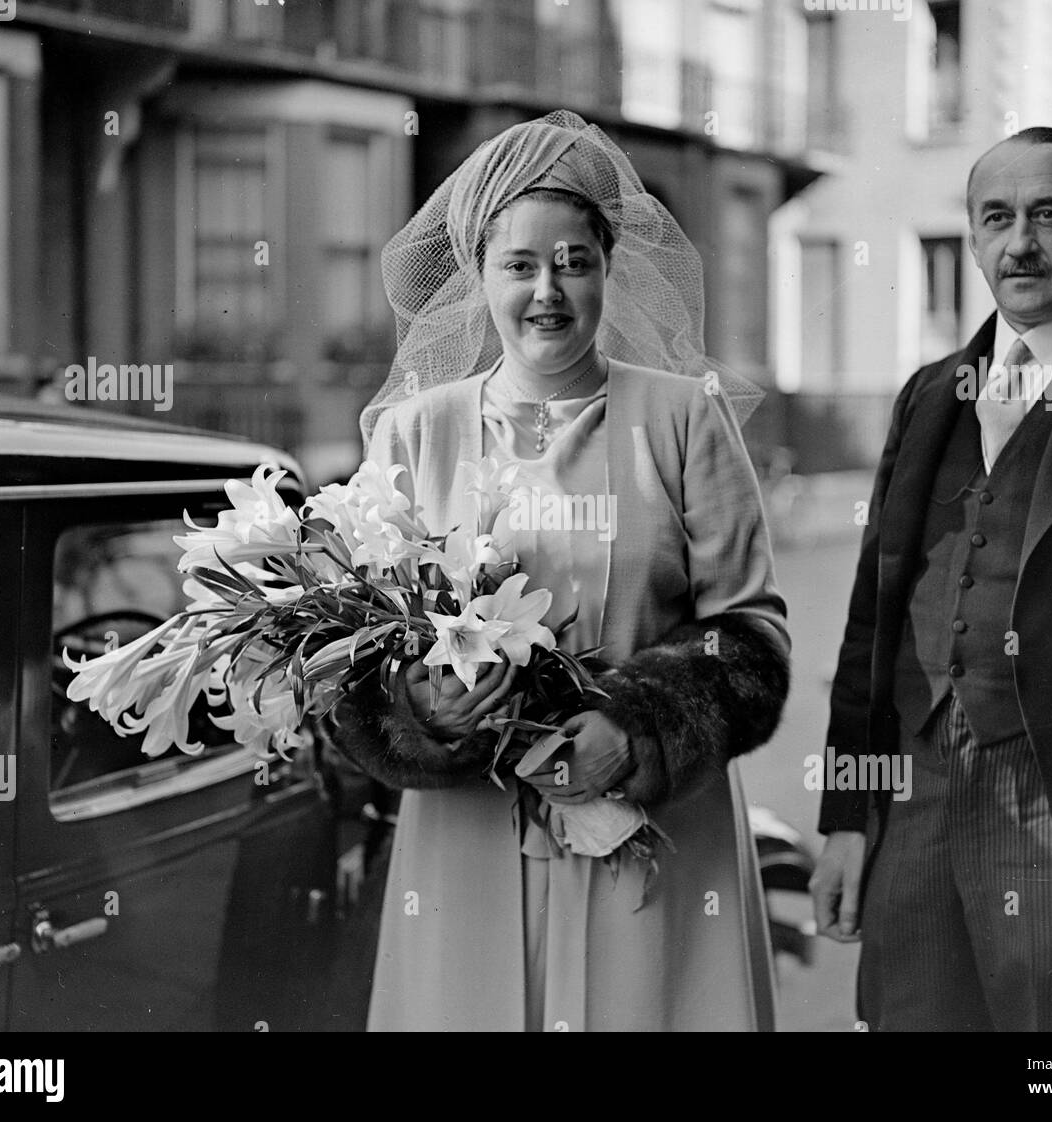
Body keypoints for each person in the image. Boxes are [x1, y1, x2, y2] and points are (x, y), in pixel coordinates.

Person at [325, 110, 791, 1031]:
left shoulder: (682, 418)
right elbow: (351, 645)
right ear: (480, 276)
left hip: (651, 832)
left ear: (609, 266)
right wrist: (420, 709)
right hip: (470, 840)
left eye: (574, 260)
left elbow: (754, 639)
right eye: (520, 265)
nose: (548, 291)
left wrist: (640, 727)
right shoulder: (418, 432)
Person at [810, 126, 1052, 1031]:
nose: (1019, 244)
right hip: (912, 818)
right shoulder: (926, 396)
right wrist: (846, 812)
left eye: (1048, 216)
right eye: (996, 219)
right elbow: (873, 626)